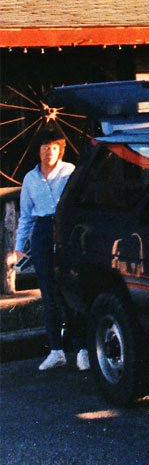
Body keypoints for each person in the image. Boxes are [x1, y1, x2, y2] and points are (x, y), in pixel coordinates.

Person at [9, 130, 89, 372]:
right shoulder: (30, 179)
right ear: (39, 150)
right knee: (48, 292)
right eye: (45, 147)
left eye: (53, 147)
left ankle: (82, 349)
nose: (49, 151)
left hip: (66, 229)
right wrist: (19, 248)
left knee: (71, 290)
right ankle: (56, 351)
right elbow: (25, 216)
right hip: (42, 231)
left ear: (60, 150)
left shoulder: (69, 171)